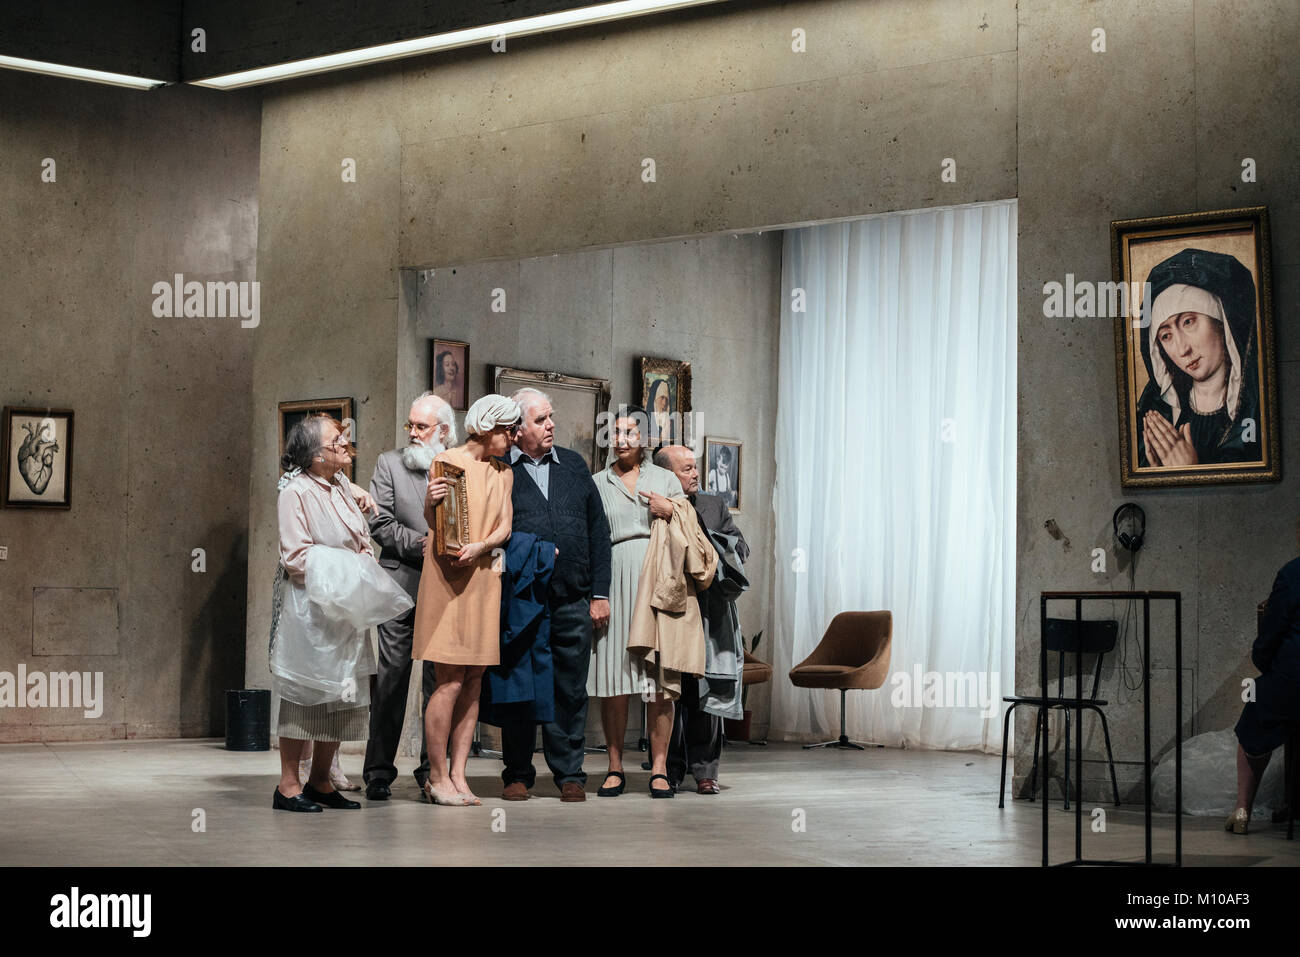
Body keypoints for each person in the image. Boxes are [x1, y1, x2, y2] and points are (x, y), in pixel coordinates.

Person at [271, 414, 407, 812]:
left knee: (343, 696)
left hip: (347, 607)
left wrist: (363, 560)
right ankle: (288, 785)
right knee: (305, 696)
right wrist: (354, 566)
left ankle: (321, 783)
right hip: (311, 612)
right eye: (336, 442)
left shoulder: (341, 486)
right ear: (314, 457)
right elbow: (296, 556)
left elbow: (360, 539)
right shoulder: (296, 492)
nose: (345, 445)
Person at [498, 387, 612, 802]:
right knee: (522, 689)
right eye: (541, 420)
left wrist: (599, 593)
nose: (551, 425)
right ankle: (517, 773)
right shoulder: (501, 470)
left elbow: (599, 532)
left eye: (551, 417)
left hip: (572, 599)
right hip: (524, 601)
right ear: (517, 428)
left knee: (570, 689)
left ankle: (570, 774)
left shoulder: (574, 466)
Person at [413, 395, 519, 806]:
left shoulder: (504, 473)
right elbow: (434, 521)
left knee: (474, 679)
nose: (512, 438)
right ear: (489, 426)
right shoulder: (447, 461)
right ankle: (436, 776)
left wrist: (481, 546)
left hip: (484, 575)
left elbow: (505, 527)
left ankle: (459, 774)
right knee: (449, 679)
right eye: (509, 431)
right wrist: (428, 501)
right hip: (449, 575)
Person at [361, 391, 455, 800]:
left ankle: (432, 771)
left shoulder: (460, 465)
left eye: (422, 426)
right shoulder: (389, 463)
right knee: (391, 678)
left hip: (448, 589)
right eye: (410, 425)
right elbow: (377, 522)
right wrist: (424, 544)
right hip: (400, 584)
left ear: (445, 431)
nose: (413, 433)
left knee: (439, 683)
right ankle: (379, 771)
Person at [591, 407, 684, 797]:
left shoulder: (664, 478)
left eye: (630, 431)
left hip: (657, 582)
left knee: (658, 681)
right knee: (615, 678)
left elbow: (689, 524)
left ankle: (659, 767)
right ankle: (614, 766)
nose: (622, 438)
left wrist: (669, 508)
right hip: (613, 581)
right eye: (615, 431)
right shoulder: (597, 482)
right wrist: (594, 594)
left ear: (645, 438)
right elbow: (592, 540)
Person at [655, 444, 750, 794]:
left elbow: (741, 547)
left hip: (711, 611)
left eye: (696, 468)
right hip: (673, 609)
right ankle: (670, 768)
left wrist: (723, 549)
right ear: (667, 475)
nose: (696, 474)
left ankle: (706, 771)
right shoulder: (653, 502)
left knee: (706, 690)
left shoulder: (713, 504)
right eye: (687, 469)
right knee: (671, 691)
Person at [1137, 248, 1261, 469]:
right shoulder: (1157, 413)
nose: (1182, 349)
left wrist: (1189, 468)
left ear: (1221, 320)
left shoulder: (1258, 406)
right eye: (1166, 336)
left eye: (1188, 322)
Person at [1227, 524, 1300, 834]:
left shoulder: (1292, 574)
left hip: (1292, 681)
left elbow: (1270, 634)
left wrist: (1263, 662)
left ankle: (1243, 810)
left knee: (1251, 721)